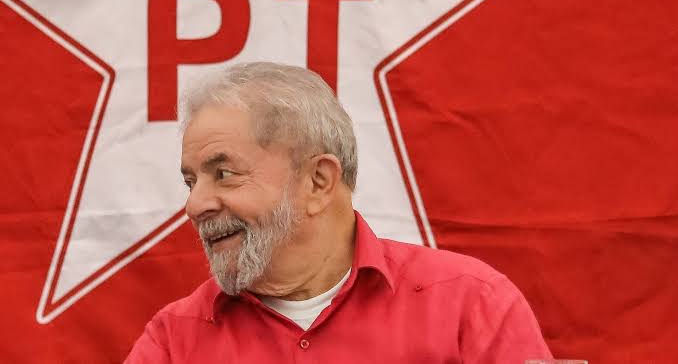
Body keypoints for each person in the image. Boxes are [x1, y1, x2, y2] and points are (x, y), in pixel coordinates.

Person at [125, 62, 552, 363]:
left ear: (318, 181)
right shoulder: (173, 340)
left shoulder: (471, 304)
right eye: (191, 182)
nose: (195, 205)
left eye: (224, 174)